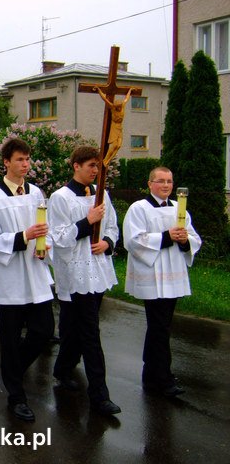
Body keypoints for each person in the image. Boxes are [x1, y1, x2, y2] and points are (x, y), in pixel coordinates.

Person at [0, 137, 55, 421]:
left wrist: (44, 245)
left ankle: (12, 370)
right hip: (11, 278)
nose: (26, 165)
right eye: (20, 160)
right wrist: (25, 237)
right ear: (6, 162)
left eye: (28, 159)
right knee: (10, 340)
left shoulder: (36, 193)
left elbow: (44, 229)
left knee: (43, 330)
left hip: (35, 274)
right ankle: (16, 397)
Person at [48, 145, 121, 416]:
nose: (95, 170)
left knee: (73, 326)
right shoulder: (61, 197)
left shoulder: (103, 195)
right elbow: (59, 237)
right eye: (91, 165)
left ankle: (62, 369)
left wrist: (107, 242)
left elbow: (112, 225)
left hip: (97, 268)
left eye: (98, 166)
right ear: (76, 166)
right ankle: (100, 396)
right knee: (90, 332)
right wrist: (86, 221)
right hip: (74, 271)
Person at [123, 167, 201, 398]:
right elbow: (133, 240)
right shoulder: (139, 208)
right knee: (159, 327)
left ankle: (152, 375)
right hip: (153, 275)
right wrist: (167, 237)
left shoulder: (179, 209)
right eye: (160, 181)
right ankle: (163, 378)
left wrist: (186, 240)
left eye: (169, 181)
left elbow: (194, 238)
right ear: (150, 184)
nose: (166, 185)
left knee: (162, 327)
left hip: (173, 274)